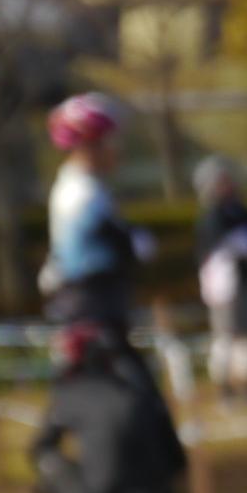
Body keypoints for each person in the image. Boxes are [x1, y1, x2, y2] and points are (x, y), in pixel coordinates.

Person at [26, 323, 194, 493]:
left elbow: (39, 448)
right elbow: (178, 459)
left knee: (48, 461)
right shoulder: (140, 391)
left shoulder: (69, 393)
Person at [43, 92, 144, 341]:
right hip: (90, 302)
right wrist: (130, 243)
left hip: (99, 298)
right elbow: (83, 255)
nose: (116, 149)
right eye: (107, 141)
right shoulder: (80, 192)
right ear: (87, 147)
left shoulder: (91, 187)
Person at [194, 157, 247, 403]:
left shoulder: (241, 211)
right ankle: (225, 386)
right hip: (225, 285)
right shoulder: (212, 217)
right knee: (225, 334)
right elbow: (215, 250)